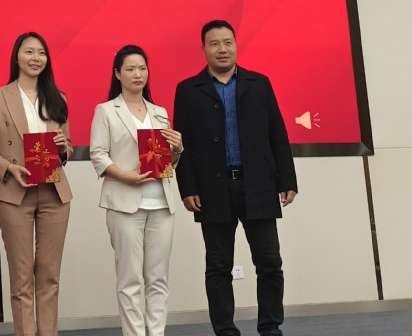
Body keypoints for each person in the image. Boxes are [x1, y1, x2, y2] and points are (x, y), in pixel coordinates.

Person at [174, 20, 298, 336]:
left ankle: (270, 327)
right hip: (212, 190)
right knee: (218, 267)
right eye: (214, 43)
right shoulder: (188, 90)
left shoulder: (259, 84)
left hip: (258, 185)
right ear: (203, 49)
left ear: (235, 45)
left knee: (270, 263)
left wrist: (287, 180)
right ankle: (226, 331)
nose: (222, 49)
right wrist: (187, 187)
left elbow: (277, 134)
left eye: (228, 42)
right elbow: (182, 144)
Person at [0, 32, 73, 336]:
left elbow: (67, 147)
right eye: (29, 51)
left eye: (41, 52)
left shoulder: (58, 98)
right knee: (21, 278)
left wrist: (63, 148)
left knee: (49, 276)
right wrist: (7, 167)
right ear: (16, 56)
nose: (35, 58)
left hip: (54, 192)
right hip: (14, 192)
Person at [89, 45, 184, 336]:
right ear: (118, 74)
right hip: (124, 204)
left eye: (142, 68)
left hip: (162, 204)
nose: (137, 74)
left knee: (158, 279)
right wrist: (125, 175)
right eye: (130, 69)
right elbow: (98, 154)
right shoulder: (106, 110)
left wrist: (178, 149)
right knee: (129, 280)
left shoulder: (159, 112)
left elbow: (167, 161)